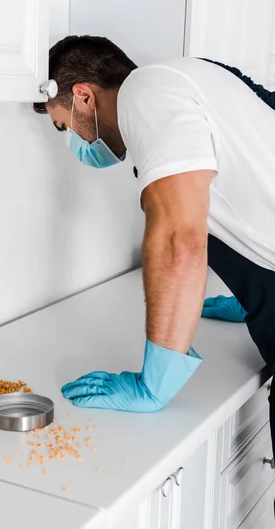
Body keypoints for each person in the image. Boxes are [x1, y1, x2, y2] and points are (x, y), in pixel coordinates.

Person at [33, 35, 275, 457]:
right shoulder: (191, 74)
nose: (72, 139)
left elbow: (179, 239)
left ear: (84, 97)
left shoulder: (145, 95)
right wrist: (250, 289)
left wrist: (154, 382)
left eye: (62, 124)